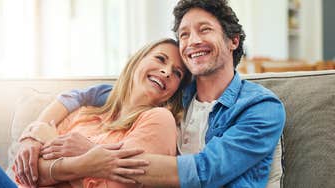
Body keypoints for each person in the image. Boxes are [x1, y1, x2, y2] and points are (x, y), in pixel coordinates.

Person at [16, 0, 286, 187]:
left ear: (233, 40)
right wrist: (34, 133)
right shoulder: (174, 95)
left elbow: (204, 173)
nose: (192, 41)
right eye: (184, 35)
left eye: (204, 30)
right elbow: (90, 95)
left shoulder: (261, 108)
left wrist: (96, 155)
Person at [0, 38, 191, 188]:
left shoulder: (158, 120)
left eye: (178, 73)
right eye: (160, 59)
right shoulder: (84, 113)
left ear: (174, 91)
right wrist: (89, 164)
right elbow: (27, 174)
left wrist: (61, 158)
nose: (166, 71)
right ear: (136, 62)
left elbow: (120, 185)